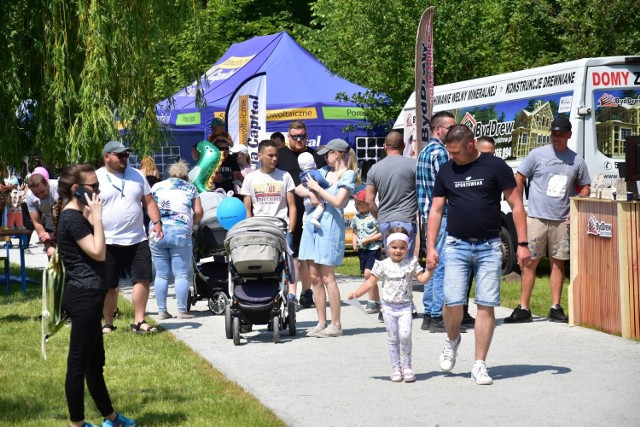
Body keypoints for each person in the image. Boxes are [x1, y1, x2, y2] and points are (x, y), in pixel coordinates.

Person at [426, 124, 530, 385]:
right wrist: (429, 247)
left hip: (489, 247)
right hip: (456, 245)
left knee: (486, 305)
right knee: (451, 303)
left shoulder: (495, 167)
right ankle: (452, 339)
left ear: (471, 145)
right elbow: (436, 210)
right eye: (449, 152)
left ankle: (479, 364)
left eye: (456, 152)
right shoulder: (446, 170)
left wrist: (523, 243)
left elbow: (517, 205)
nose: (452, 157)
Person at [54, 163, 135, 427]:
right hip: (84, 296)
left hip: (90, 295)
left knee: (93, 364)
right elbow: (99, 252)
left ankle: (110, 418)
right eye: (94, 186)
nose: (99, 190)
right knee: (78, 365)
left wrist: (91, 212)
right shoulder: (71, 218)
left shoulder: (79, 212)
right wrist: (97, 218)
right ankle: (76, 424)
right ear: (77, 189)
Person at [504, 116, 591, 324]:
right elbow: (518, 178)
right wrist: (518, 205)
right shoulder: (537, 155)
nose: (557, 137)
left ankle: (555, 307)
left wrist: (578, 204)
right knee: (529, 262)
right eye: (554, 134)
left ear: (569, 135)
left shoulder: (576, 160)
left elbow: (585, 186)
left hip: (561, 220)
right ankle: (523, 307)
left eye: (561, 134)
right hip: (536, 218)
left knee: (558, 263)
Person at [348, 227, 433, 382]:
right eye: (394, 247)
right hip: (388, 308)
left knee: (405, 335)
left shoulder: (411, 263)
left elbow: (423, 280)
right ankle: (396, 368)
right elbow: (370, 283)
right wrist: (357, 294)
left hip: (406, 307)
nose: (398, 251)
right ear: (387, 247)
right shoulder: (382, 265)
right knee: (393, 339)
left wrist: (431, 270)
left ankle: (407, 366)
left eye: (402, 247)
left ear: (407, 247)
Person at [97, 140, 164, 334]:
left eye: (126, 155)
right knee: (110, 284)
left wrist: (157, 223)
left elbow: (149, 202)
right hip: (107, 240)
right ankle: (108, 323)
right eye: (120, 155)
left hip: (137, 238)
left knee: (142, 278)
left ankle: (140, 321)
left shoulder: (138, 175)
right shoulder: (96, 177)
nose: (124, 159)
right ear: (107, 156)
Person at [298, 138, 357, 338]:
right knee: (314, 277)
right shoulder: (322, 172)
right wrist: (310, 192)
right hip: (311, 226)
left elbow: (339, 201)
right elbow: (297, 188)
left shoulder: (348, 174)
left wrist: (318, 190)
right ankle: (321, 321)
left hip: (330, 228)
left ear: (337, 153)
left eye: (327, 153)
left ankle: (336, 324)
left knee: (327, 277)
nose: (324, 157)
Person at [365, 131, 419, 321]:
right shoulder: (414, 165)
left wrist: (380, 217)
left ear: (384, 147)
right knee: (406, 265)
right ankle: (406, 304)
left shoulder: (374, 169)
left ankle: (386, 305)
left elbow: (369, 200)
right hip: (406, 220)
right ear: (403, 146)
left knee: (390, 265)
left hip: (386, 221)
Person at [276, 121, 325, 309]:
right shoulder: (280, 156)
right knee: (293, 257)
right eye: (294, 136)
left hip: (314, 214)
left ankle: (306, 293)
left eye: (302, 136)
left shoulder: (317, 157)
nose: (298, 140)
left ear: (307, 135)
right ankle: (292, 295)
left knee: (309, 257)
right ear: (288, 137)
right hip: (290, 214)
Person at [240, 140, 297, 299]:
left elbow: (292, 206)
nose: (274, 159)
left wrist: (291, 230)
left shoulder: (284, 176)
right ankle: (262, 294)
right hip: (259, 228)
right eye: (270, 155)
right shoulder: (250, 178)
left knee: (286, 263)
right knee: (263, 264)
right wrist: (249, 227)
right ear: (259, 155)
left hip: (281, 227)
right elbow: (247, 209)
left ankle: (290, 293)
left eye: (276, 155)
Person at [416, 111, 456, 333]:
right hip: (442, 214)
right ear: (438, 129)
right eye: (450, 128)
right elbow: (448, 184)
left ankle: (429, 314)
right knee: (440, 265)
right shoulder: (440, 152)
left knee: (432, 262)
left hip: (428, 214)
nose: (454, 131)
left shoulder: (424, 151)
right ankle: (438, 315)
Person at [150, 160, 203, 320]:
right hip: (180, 232)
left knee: (161, 274)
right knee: (181, 274)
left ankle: (162, 311)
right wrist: (192, 225)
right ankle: (182, 311)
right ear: (185, 176)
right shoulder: (191, 187)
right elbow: (199, 212)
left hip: (157, 231)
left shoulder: (157, 186)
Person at [462, 135, 497, 326]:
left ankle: (477, 314)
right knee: (463, 277)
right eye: (485, 154)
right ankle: (460, 312)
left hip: (487, 233)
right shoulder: (465, 168)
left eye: (492, 154)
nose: (489, 157)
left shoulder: (497, 168)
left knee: (483, 280)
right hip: (463, 232)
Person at [350, 188, 382, 314]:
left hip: (373, 248)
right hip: (362, 250)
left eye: (359, 203)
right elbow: (354, 232)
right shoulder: (356, 218)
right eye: (355, 203)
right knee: (368, 276)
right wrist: (354, 243)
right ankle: (376, 301)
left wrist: (369, 240)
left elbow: (381, 234)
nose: (356, 206)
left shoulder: (374, 217)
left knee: (368, 274)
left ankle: (372, 301)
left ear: (368, 204)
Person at [25, 168, 59, 257]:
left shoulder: (59, 188)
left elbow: (69, 217)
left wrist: (54, 235)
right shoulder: (29, 196)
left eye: (42, 191)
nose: (40, 196)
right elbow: (37, 223)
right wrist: (48, 246)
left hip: (66, 230)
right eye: (36, 194)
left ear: (47, 183)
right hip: (50, 229)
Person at [298, 152, 331, 227]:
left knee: (306, 212)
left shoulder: (302, 174)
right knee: (321, 206)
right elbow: (320, 179)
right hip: (316, 197)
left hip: (306, 199)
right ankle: (314, 218)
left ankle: (304, 224)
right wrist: (328, 184)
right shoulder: (314, 172)